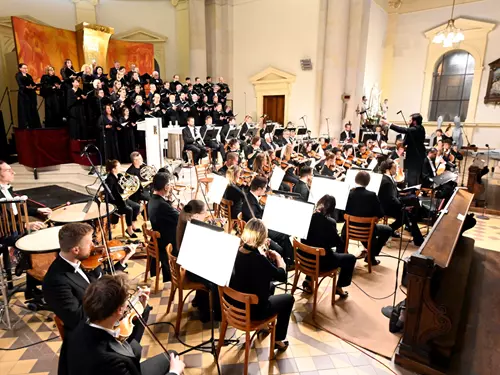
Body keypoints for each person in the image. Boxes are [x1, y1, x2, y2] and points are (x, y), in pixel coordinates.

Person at [66, 274, 184, 375]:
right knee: (173, 358)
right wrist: (174, 372)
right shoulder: (112, 362)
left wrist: (140, 309)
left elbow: (122, 340)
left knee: (139, 348)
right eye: (126, 303)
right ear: (119, 310)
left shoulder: (77, 329)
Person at [228, 218, 294, 352]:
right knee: (289, 299)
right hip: (253, 312)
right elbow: (282, 275)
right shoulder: (260, 260)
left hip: (234, 306)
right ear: (262, 238)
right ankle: (278, 339)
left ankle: (263, 327)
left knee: (271, 286)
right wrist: (279, 259)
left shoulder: (238, 250)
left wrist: (262, 254)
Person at [0, 160, 49, 296]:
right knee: (33, 242)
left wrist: (39, 210)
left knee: (42, 232)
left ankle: (31, 285)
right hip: (4, 232)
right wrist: (26, 225)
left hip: (15, 228)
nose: (13, 172)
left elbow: (20, 207)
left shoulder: (7, 189)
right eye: (8, 170)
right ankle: (28, 271)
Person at [175, 200, 221, 322]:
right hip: (191, 269)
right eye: (204, 213)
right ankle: (208, 313)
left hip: (188, 263)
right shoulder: (190, 226)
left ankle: (200, 301)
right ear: (195, 215)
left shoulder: (185, 218)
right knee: (217, 278)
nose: (206, 215)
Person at [303, 195, 355, 297]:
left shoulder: (306, 218)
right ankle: (339, 287)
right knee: (351, 258)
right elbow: (337, 243)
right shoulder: (328, 223)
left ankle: (308, 279)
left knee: (312, 247)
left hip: (304, 259)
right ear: (331, 209)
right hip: (321, 263)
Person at [343, 171, 392, 266]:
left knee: (360, 229)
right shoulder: (372, 195)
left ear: (355, 180)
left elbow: (343, 213)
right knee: (388, 230)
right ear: (368, 182)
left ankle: (369, 254)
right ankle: (371, 255)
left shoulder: (349, 194)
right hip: (367, 230)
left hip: (350, 229)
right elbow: (381, 214)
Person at [242, 176, 293, 262]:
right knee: (284, 234)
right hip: (258, 232)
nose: (266, 190)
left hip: (258, 226)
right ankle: (289, 260)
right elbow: (257, 222)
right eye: (265, 188)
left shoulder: (249, 196)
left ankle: (287, 256)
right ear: (259, 189)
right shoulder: (252, 203)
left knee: (282, 233)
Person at [378, 160, 424, 246]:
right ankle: (419, 240)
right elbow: (391, 199)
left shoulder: (387, 178)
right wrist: (403, 207)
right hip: (386, 207)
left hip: (390, 204)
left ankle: (388, 230)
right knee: (407, 215)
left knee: (407, 215)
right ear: (388, 169)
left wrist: (404, 195)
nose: (396, 170)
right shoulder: (386, 181)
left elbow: (393, 195)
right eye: (394, 168)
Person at [148, 172, 179, 282]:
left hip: (159, 237)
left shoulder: (152, 199)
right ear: (166, 187)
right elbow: (180, 218)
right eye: (170, 185)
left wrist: (170, 204)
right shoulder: (162, 205)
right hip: (166, 242)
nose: (171, 187)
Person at [382, 113, 426, 186]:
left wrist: (389, 124)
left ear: (414, 121)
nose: (409, 121)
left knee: (413, 175)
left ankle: (412, 190)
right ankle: (403, 184)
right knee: (405, 169)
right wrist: (402, 147)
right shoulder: (413, 129)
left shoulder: (418, 128)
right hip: (411, 155)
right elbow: (406, 140)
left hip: (416, 157)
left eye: (410, 120)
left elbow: (403, 130)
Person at [105, 160, 141, 238]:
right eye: (118, 166)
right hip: (116, 203)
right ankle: (129, 230)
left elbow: (122, 187)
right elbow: (111, 194)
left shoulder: (119, 175)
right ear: (113, 169)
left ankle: (133, 226)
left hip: (123, 199)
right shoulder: (109, 179)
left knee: (137, 206)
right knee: (129, 210)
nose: (120, 167)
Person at [15, 63, 41, 129]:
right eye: (24, 68)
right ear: (20, 69)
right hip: (24, 95)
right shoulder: (18, 75)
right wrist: (27, 87)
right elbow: (20, 85)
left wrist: (35, 86)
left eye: (26, 68)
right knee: (25, 110)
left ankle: (34, 124)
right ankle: (27, 124)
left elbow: (32, 84)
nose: (26, 69)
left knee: (32, 109)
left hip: (30, 94)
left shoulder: (29, 76)